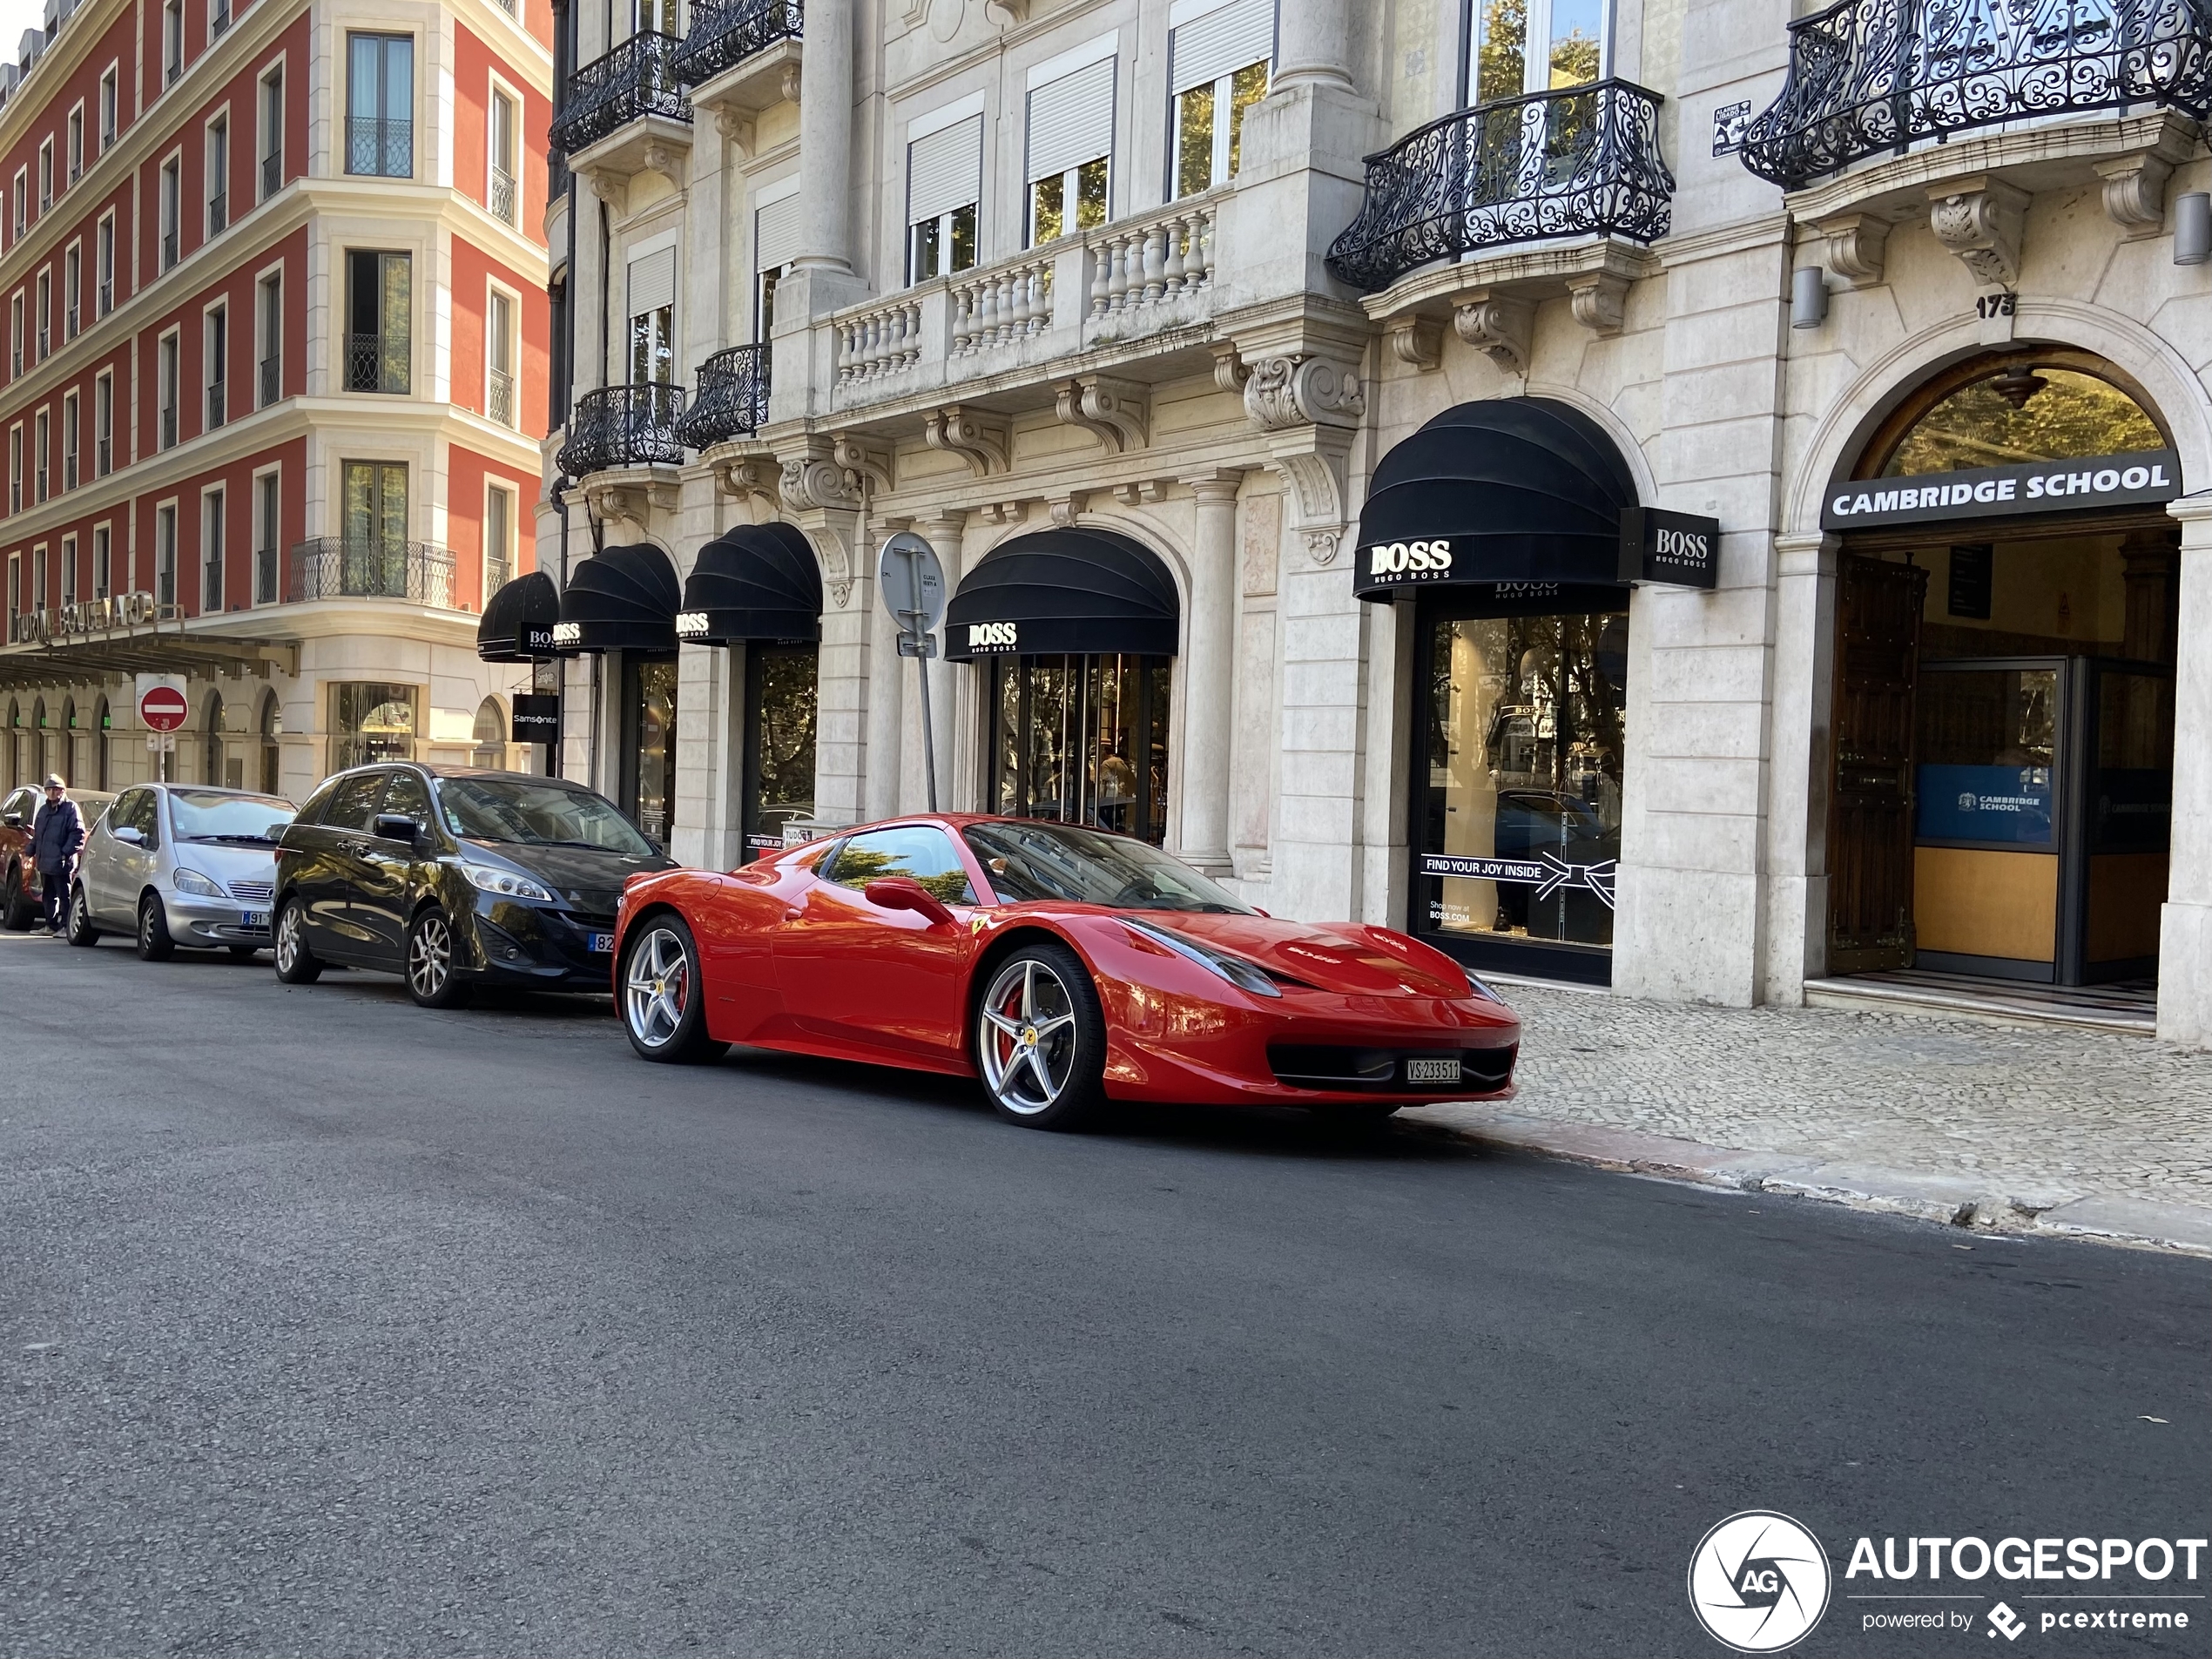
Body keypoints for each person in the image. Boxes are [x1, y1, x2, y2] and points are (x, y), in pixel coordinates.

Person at [30, 774, 84, 935]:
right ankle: (51, 925)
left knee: (64, 895)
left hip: (61, 862)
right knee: (48, 895)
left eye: (56, 789)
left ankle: (66, 926)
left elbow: (78, 834)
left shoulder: (71, 808)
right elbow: (38, 835)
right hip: (45, 860)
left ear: (62, 791)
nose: (53, 793)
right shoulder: (43, 810)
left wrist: (65, 853)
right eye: (49, 790)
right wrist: (30, 851)